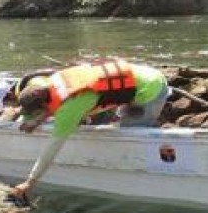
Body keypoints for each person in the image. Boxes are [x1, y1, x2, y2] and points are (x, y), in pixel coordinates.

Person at [10, 59, 170, 199]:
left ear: (44, 105)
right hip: (142, 74)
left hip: (150, 89)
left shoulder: (70, 107)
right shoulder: (46, 82)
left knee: (129, 131)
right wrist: (35, 120)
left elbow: (53, 147)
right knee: (100, 112)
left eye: (38, 113)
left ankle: (148, 175)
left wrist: (30, 182)